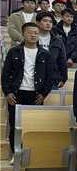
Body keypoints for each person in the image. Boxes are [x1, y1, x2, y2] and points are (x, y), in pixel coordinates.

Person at [2, 22, 55, 158]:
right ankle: (16, 154)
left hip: (36, 94)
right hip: (16, 93)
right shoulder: (14, 52)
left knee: (33, 126)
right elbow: (5, 74)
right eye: (30, 32)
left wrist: (43, 94)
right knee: (15, 125)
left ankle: (29, 155)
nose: (33, 35)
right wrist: (8, 92)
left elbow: (50, 77)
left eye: (36, 33)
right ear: (23, 34)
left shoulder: (45, 54)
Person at [36, 11, 68, 89]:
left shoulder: (57, 41)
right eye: (45, 21)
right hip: (34, 77)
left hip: (52, 78)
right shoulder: (32, 38)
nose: (48, 23)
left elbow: (62, 60)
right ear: (38, 23)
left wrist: (63, 78)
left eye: (50, 22)